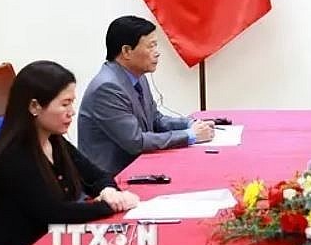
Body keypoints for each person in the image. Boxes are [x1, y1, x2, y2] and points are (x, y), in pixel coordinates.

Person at [0, 61, 139, 245]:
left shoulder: (55, 141)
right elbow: (54, 214)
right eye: (65, 104)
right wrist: (109, 206)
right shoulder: (15, 155)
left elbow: (96, 175)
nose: (72, 112)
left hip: (61, 238)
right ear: (35, 106)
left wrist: (108, 190)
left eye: (72, 102)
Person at [78, 16, 214, 175]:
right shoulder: (107, 88)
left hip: (139, 167)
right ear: (127, 51)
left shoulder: (137, 76)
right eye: (151, 46)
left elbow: (155, 120)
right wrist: (190, 136)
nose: (157, 53)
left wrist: (190, 124)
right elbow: (136, 142)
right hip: (113, 179)